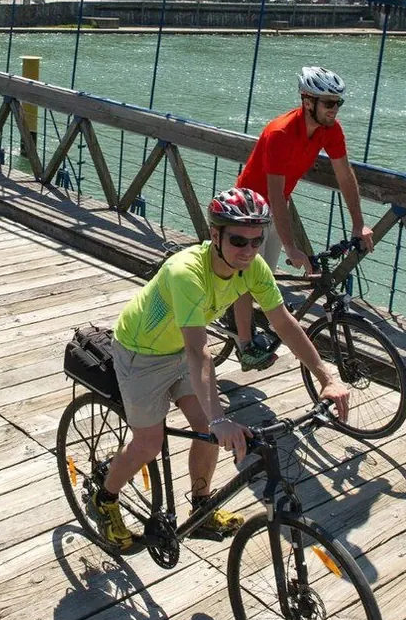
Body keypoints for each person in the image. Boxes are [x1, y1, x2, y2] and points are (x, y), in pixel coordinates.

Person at [87, 186, 350, 550]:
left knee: (206, 430)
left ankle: (200, 510)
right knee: (149, 442)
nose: (249, 251)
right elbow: (200, 352)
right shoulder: (186, 273)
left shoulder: (252, 267)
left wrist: (327, 376)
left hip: (179, 349)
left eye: (257, 242)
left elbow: (285, 323)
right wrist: (219, 418)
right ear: (215, 235)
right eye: (239, 240)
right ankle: (105, 499)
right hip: (140, 353)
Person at [232, 66, 375, 369]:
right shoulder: (281, 132)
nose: (335, 109)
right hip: (247, 207)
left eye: (338, 103)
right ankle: (243, 344)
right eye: (329, 103)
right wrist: (292, 247)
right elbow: (274, 194)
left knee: (264, 277)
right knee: (247, 278)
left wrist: (358, 221)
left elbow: (345, 176)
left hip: (275, 204)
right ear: (307, 101)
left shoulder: (330, 130)